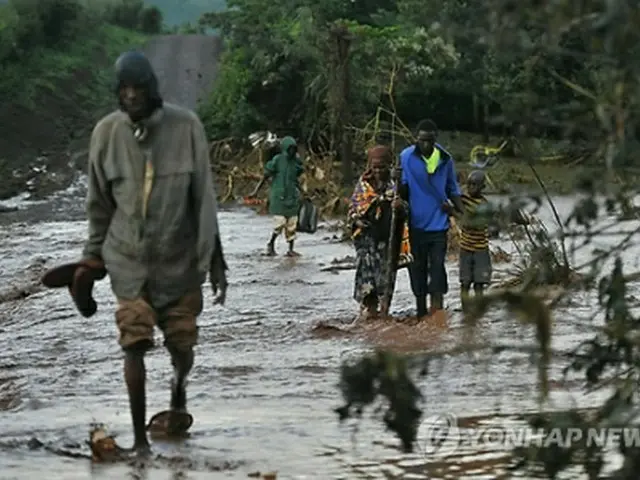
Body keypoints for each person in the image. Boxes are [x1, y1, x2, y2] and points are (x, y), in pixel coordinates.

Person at [43, 51, 229, 454]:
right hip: (127, 259)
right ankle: (140, 441)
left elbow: (204, 201)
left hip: (179, 261)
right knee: (134, 341)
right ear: (117, 92)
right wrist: (92, 257)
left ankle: (178, 394)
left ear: (152, 88)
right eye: (124, 90)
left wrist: (213, 259)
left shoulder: (187, 128)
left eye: (138, 88)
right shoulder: (106, 134)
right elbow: (99, 204)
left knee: (182, 344)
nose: (131, 96)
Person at [397, 119, 464, 320]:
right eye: (422, 141)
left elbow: (452, 188)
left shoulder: (445, 159)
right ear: (416, 139)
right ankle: (420, 312)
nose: (426, 145)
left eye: (430, 141)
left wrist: (459, 211)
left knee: (437, 268)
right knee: (417, 269)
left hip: (438, 224)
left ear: (435, 140)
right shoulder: (406, 157)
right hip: (416, 225)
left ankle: (437, 313)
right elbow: (403, 189)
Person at [348, 145, 411, 320]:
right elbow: (353, 209)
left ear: (389, 165)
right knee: (366, 280)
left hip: (388, 240)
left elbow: (407, 211)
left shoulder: (396, 185)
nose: (377, 171)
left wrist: (399, 207)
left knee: (386, 277)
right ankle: (368, 313)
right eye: (374, 167)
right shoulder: (363, 185)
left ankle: (384, 312)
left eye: (382, 167)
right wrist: (358, 219)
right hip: (367, 242)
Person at [458, 170, 529, 311]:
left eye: (475, 185)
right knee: (465, 282)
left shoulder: (484, 205)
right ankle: (465, 308)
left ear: (482, 187)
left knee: (479, 283)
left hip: (480, 248)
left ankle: (477, 309)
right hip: (465, 247)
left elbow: (473, 222)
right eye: (469, 184)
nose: (471, 188)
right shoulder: (462, 200)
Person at [249, 136, 304, 257]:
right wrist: (255, 191)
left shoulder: (296, 162)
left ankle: (290, 249)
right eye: (290, 149)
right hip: (278, 196)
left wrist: (303, 193)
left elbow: (295, 180)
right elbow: (265, 176)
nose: (292, 152)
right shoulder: (277, 160)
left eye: (293, 149)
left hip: (292, 196)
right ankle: (271, 244)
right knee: (279, 223)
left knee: (292, 224)